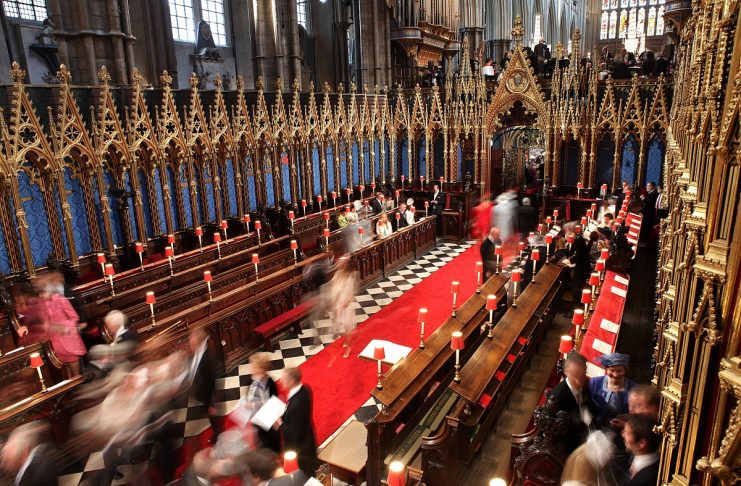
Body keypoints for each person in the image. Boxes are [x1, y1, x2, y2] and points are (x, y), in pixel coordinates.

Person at [35, 275, 87, 376]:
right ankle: (69, 384)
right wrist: (49, 326)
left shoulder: (60, 299)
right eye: (39, 293)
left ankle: (77, 380)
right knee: (63, 361)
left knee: (72, 359)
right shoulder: (42, 303)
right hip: (55, 337)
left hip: (67, 335)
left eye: (43, 292)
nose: (41, 296)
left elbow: (74, 316)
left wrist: (65, 327)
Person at [276, 367, 319, 476]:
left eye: (283, 379)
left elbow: (294, 432)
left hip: (301, 446)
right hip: (307, 435)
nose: (280, 381)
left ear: (292, 381)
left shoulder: (297, 403)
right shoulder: (305, 388)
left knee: (306, 472)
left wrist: (279, 424)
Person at [547, 352, 593, 453]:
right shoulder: (557, 397)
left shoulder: (584, 385)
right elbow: (554, 435)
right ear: (566, 372)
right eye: (575, 376)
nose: (579, 382)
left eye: (582, 376)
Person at [241, 352, 281, 452]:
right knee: (260, 439)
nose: (250, 368)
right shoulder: (251, 380)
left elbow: (272, 403)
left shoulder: (270, 383)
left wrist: (254, 404)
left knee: (270, 441)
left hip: (267, 419)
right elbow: (249, 395)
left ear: (260, 368)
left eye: (253, 365)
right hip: (256, 417)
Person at [588, 353, 637, 429]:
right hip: (596, 432)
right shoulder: (595, 383)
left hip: (623, 435)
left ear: (625, 370)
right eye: (612, 370)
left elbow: (638, 417)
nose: (615, 374)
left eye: (619, 371)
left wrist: (626, 425)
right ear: (606, 370)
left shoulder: (634, 389)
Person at [188, 328, 218, 433]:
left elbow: (211, 381)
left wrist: (211, 404)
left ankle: (217, 436)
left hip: (208, 395)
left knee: (214, 418)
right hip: (202, 393)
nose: (190, 343)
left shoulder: (206, 359)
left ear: (198, 341)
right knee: (209, 415)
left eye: (192, 340)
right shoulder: (197, 352)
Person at [621, 415, 660, 485]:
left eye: (627, 433)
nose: (623, 434)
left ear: (641, 443)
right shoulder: (634, 454)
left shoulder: (648, 479)